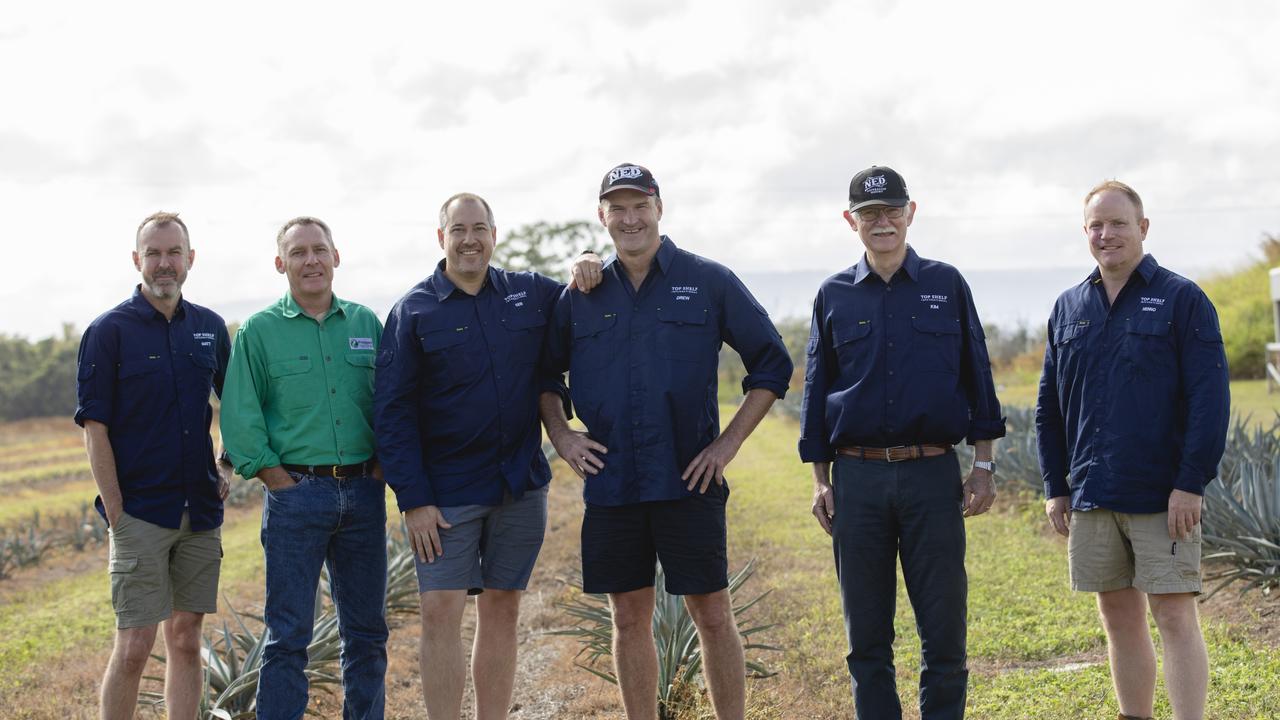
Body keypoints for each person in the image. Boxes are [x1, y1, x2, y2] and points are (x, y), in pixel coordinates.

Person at [539, 163, 793, 720]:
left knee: (712, 614)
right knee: (627, 618)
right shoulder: (580, 294)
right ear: (602, 216)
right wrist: (561, 434)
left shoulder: (708, 281)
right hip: (612, 482)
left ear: (659, 207)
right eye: (618, 208)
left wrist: (726, 446)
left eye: (640, 205)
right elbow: (544, 375)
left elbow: (772, 364)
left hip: (688, 478)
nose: (630, 218)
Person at [373, 193, 602, 720]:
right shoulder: (413, 311)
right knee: (439, 612)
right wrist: (414, 501)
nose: (470, 239)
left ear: (494, 236)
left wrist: (587, 262)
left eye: (480, 228)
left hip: (519, 486)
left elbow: (580, 291)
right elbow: (392, 413)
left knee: (502, 608)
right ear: (441, 239)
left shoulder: (528, 294)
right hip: (446, 494)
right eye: (459, 230)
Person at [799, 166, 1005, 719]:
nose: (882, 222)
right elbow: (817, 390)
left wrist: (983, 465)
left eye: (892, 210)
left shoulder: (946, 284)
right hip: (857, 480)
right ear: (851, 221)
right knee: (865, 635)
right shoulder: (833, 295)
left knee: (944, 630)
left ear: (912, 212)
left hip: (931, 476)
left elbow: (977, 374)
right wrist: (820, 480)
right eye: (870, 214)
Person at [1036, 181, 1229, 720]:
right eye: (1096, 226)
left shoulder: (1181, 299)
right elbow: (1048, 407)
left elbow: (1210, 400)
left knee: (1173, 617)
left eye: (1118, 223)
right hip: (1093, 493)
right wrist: (1055, 487)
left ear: (1142, 228)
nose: (1106, 234)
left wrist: (1190, 483)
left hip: (1162, 495)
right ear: (1085, 234)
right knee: (1118, 617)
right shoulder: (1069, 306)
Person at [220, 216, 388, 719]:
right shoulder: (259, 331)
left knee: (367, 634)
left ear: (336, 257)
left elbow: (392, 403)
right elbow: (240, 416)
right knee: (288, 637)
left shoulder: (366, 324)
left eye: (319, 250)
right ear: (280, 264)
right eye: (298, 253)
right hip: (296, 497)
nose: (310, 260)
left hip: (363, 494)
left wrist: (379, 468)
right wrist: (277, 480)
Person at [75, 211, 231, 720]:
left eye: (174, 253)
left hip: (200, 511)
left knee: (186, 640)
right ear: (137, 258)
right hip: (140, 512)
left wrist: (227, 464)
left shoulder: (209, 328)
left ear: (190, 259)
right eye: (155, 253)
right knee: (135, 645)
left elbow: (240, 405)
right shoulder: (108, 331)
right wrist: (117, 511)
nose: (165, 263)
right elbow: (94, 427)